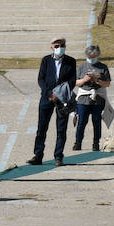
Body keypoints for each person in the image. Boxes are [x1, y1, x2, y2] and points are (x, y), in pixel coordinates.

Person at [28, 37, 77, 166]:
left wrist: (59, 94)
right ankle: (38, 155)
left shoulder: (71, 61)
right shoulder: (46, 61)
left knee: (61, 129)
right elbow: (41, 79)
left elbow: (72, 81)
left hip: (63, 100)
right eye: (56, 46)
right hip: (47, 98)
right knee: (42, 127)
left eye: (62, 45)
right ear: (51, 48)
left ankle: (58, 156)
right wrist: (50, 93)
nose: (59, 48)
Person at [72, 44, 112, 151]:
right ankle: (78, 142)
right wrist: (84, 80)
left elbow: (107, 83)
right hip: (83, 98)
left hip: (98, 98)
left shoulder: (103, 67)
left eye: (93, 57)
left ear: (98, 55)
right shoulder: (82, 66)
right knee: (82, 121)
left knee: (96, 121)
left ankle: (96, 143)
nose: (91, 59)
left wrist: (97, 80)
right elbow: (76, 82)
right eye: (89, 57)